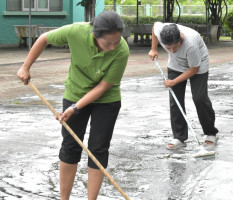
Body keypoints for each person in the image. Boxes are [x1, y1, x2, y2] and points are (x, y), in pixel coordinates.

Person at [17, 11, 129, 200]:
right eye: (107, 43)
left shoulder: (122, 50)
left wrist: (76, 108)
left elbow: (102, 88)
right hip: (75, 92)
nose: (112, 47)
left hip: (106, 99)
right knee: (70, 146)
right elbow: (44, 38)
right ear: (95, 34)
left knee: (98, 149)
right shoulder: (76, 32)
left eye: (116, 42)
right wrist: (25, 66)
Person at [148, 22, 218, 149]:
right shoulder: (161, 30)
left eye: (175, 47)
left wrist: (173, 82)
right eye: (168, 48)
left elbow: (194, 69)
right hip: (176, 65)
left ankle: (210, 133)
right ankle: (179, 137)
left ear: (180, 38)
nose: (173, 51)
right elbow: (154, 26)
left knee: (199, 98)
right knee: (175, 99)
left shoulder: (190, 44)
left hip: (198, 65)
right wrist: (153, 49)